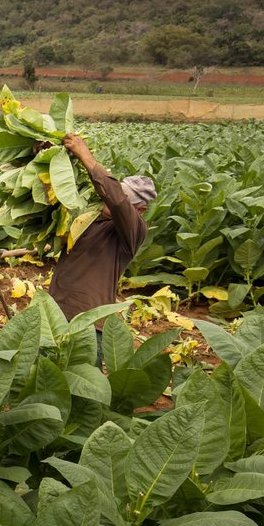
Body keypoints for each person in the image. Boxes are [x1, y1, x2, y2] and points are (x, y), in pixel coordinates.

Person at [46, 133, 156, 363]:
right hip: (53, 314)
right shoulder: (91, 218)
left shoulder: (134, 230)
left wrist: (86, 156)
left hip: (89, 325)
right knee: (44, 384)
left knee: (81, 390)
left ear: (140, 209)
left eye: (127, 199)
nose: (107, 198)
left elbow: (116, 199)